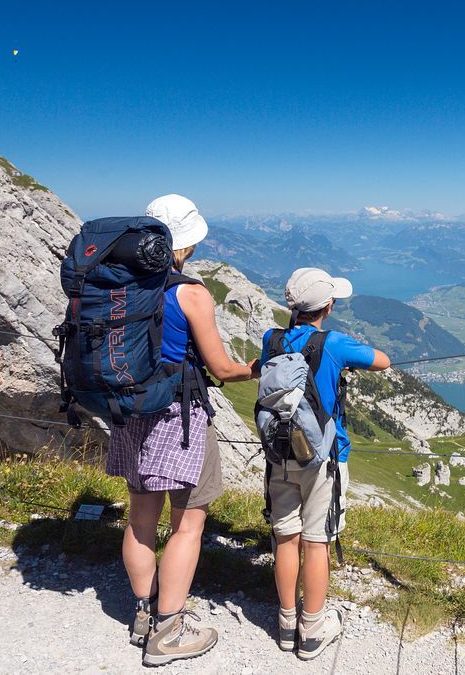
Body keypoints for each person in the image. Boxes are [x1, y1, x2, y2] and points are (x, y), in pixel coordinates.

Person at [106, 194, 259, 667]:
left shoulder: (117, 286)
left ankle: (143, 614)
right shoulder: (189, 292)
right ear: (185, 243)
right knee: (188, 522)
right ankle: (169, 630)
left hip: (130, 412)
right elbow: (222, 368)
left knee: (140, 517)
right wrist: (259, 367)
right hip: (179, 417)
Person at [261, 268, 390, 660]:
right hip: (323, 458)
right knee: (316, 541)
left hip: (279, 453)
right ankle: (313, 628)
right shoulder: (333, 343)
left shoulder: (272, 338)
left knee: (285, 537)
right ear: (328, 306)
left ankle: (286, 624)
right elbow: (382, 361)